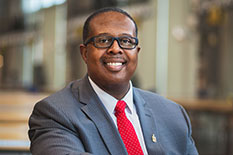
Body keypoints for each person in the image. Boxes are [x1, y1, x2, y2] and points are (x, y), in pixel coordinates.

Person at [28, 7, 198, 155]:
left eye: (126, 41)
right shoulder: (54, 114)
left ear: (136, 52)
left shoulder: (173, 114)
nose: (115, 49)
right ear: (85, 53)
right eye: (103, 41)